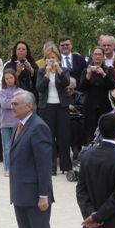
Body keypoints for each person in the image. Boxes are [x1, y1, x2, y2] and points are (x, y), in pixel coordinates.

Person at [10, 90, 53, 228]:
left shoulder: (38, 127)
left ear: (29, 106)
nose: (12, 107)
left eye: (16, 104)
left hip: (36, 195)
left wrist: (43, 195)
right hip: (20, 193)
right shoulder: (20, 125)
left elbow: (44, 164)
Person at [36, 46, 72, 175]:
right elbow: (39, 88)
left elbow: (67, 83)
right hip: (46, 107)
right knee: (48, 136)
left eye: (53, 58)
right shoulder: (41, 71)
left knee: (63, 136)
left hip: (62, 106)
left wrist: (58, 70)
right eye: (48, 58)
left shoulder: (64, 70)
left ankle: (66, 166)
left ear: (58, 59)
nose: (51, 60)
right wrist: (47, 74)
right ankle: (51, 167)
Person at [79, 47, 115, 144]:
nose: (97, 57)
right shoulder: (86, 70)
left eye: (99, 54)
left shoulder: (109, 70)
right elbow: (81, 88)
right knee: (90, 133)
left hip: (104, 106)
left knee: (105, 132)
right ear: (92, 56)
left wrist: (104, 74)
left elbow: (112, 85)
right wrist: (88, 76)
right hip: (90, 107)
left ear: (103, 57)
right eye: (95, 54)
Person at [0, 68, 21, 176]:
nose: (9, 80)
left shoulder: (20, 91)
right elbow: (4, 104)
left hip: (17, 123)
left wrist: (11, 102)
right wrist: (14, 102)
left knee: (17, 146)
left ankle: (17, 167)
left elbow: (21, 104)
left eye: (11, 78)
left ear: (15, 78)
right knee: (7, 147)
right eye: (6, 78)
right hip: (5, 123)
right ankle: (7, 168)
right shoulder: (2, 91)